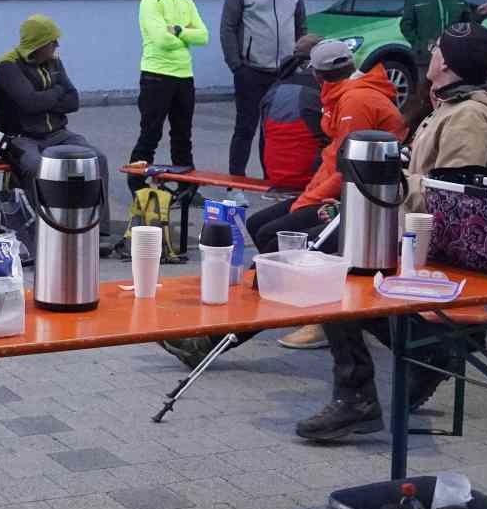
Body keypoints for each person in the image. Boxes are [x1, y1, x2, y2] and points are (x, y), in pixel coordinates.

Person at [298, 23, 487, 443]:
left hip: (438, 240)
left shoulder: (469, 117)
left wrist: (385, 181)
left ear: (448, 64)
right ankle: (426, 349)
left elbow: (451, 197)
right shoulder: (452, 103)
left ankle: (361, 393)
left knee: (333, 271)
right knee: (327, 253)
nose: (430, 53)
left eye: (437, 49)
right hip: (415, 225)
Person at [159, 39, 405, 365]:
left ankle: (223, 335)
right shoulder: (344, 94)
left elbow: (346, 171)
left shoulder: (355, 100)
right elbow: (334, 161)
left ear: (316, 73)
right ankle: (278, 305)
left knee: (277, 251)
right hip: (348, 197)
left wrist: (307, 201)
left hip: (361, 206)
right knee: (261, 227)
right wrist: (306, 197)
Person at [0, 14, 110, 191]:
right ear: (38, 44)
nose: (57, 45)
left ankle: (96, 210)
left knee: (97, 159)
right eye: (52, 41)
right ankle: (39, 210)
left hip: (58, 134)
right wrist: (57, 91)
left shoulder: (54, 61)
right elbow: (31, 103)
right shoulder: (7, 65)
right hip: (20, 139)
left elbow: (73, 101)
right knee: (38, 166)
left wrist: (41, 100)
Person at [221, 0, 306, 176]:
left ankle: (271, 180)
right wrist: (236, 66)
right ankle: (235, 183)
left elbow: (301, 27)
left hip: (285, 74)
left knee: (274, 131)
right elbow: (227, 28)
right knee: (245, 128)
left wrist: (299, 60)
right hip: (251, 71)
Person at [128, 0, 209, 194]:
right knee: (150, 134)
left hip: (184, 77)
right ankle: (137, 186)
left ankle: (187, 189)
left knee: (183, 136)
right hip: (156, 76)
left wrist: (179, 31)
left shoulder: (187, 2)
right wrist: (185, 37)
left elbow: (204, 36)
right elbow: (161, 40)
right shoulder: (151, 0)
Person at [257, 33, 327, 194]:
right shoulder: (319, 89)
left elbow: (264, 140)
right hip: (309, 179)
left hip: (275, 175)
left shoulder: (275, 88)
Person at [398, 0, 479, 76]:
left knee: (451, 85)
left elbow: (467, 24)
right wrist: (419, 46)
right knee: (425, 85)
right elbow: (406, 25)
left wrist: (480, 14)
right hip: (426, 57)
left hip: (453, 56)